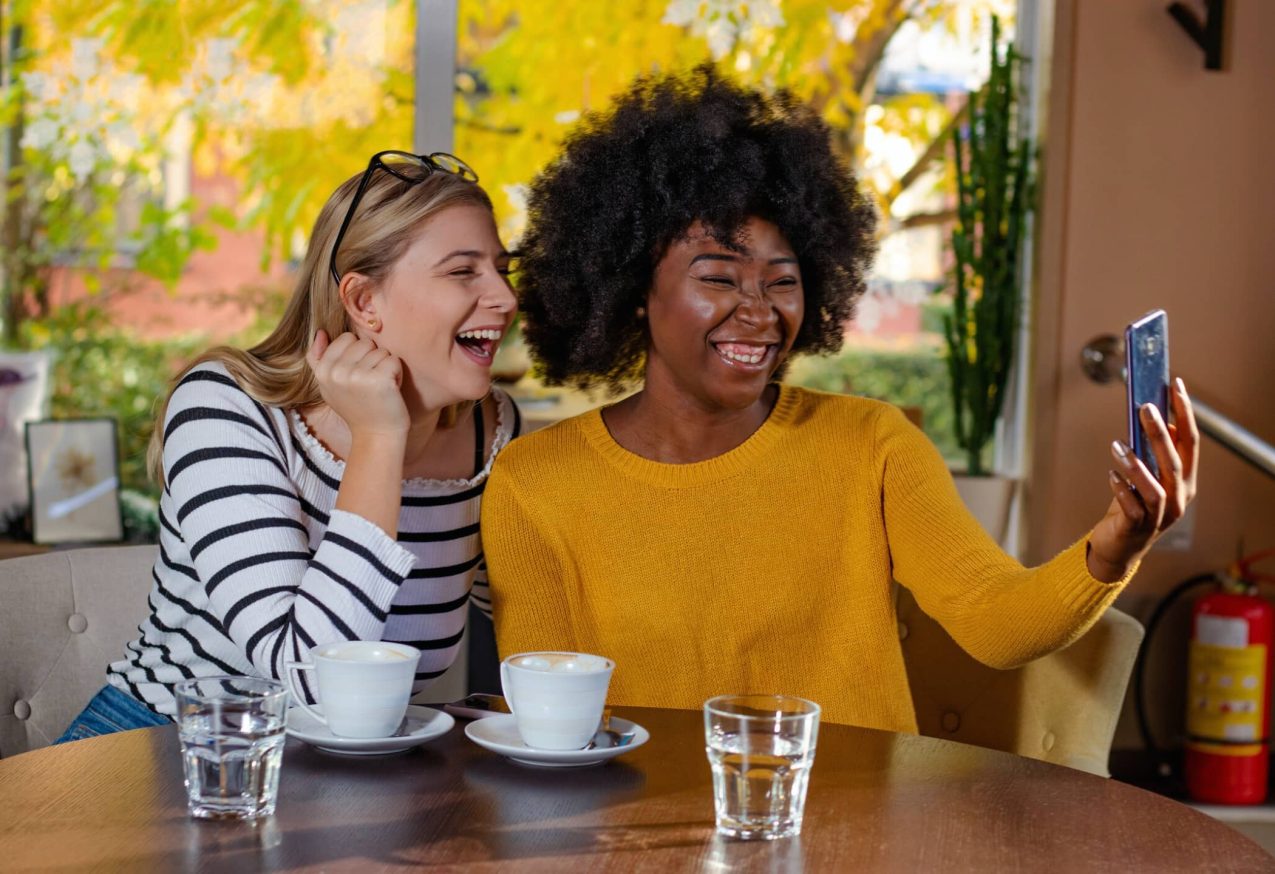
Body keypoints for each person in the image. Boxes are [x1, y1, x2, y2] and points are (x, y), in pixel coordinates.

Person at [481, 68, 1199, 731]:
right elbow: (551, 724)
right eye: (721, 279)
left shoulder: (870, 447)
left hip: (854, 837)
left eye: (782, 281)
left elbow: (996, 623)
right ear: (635, 291)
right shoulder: (536, 483)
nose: (759, 311)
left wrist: (1115, 545)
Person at [57, 150, 519, 741]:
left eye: (503, 269)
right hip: (161, 751)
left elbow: (529, 613)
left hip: (350, 778)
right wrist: (380, 438)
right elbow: (311, 680)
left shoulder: (493, 432)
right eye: (463, 272)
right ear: (363, 302)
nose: (504, 298)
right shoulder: (226, 409)